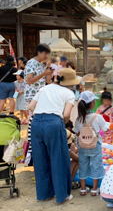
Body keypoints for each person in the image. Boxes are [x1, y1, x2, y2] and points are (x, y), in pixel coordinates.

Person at [28, 68, 81, 203]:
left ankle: (44, 194)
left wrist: (42, 115)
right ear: (71, 82)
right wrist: (59, 122)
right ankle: (62, 194)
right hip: (54, 123)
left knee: (40, 160)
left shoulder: (45, 88)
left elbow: (31, 106)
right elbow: (67, 114)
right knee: (59, 159)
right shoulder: (69, 93)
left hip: (37, 122)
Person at [74, 91, 110, 197]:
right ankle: (94, 189)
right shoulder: (97, 117)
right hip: (95, 145)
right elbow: (105, 128)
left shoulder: (79, 118)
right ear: (93, 103)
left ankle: (83, 189)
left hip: (82, 146)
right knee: (96, 166)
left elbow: (76, 132)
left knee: (83, 166)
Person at [24, 43, 53, 166]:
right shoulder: (31, 63)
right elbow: (29, 80)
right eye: (45, 53)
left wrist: (49, 69)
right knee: (34, 121)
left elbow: (47, 81)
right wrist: (43, 74)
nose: (46, 56)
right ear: (39, 52)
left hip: (41, 96)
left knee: (38, 120)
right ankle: (32, 151)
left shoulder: (42, 65)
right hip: (32, 96)